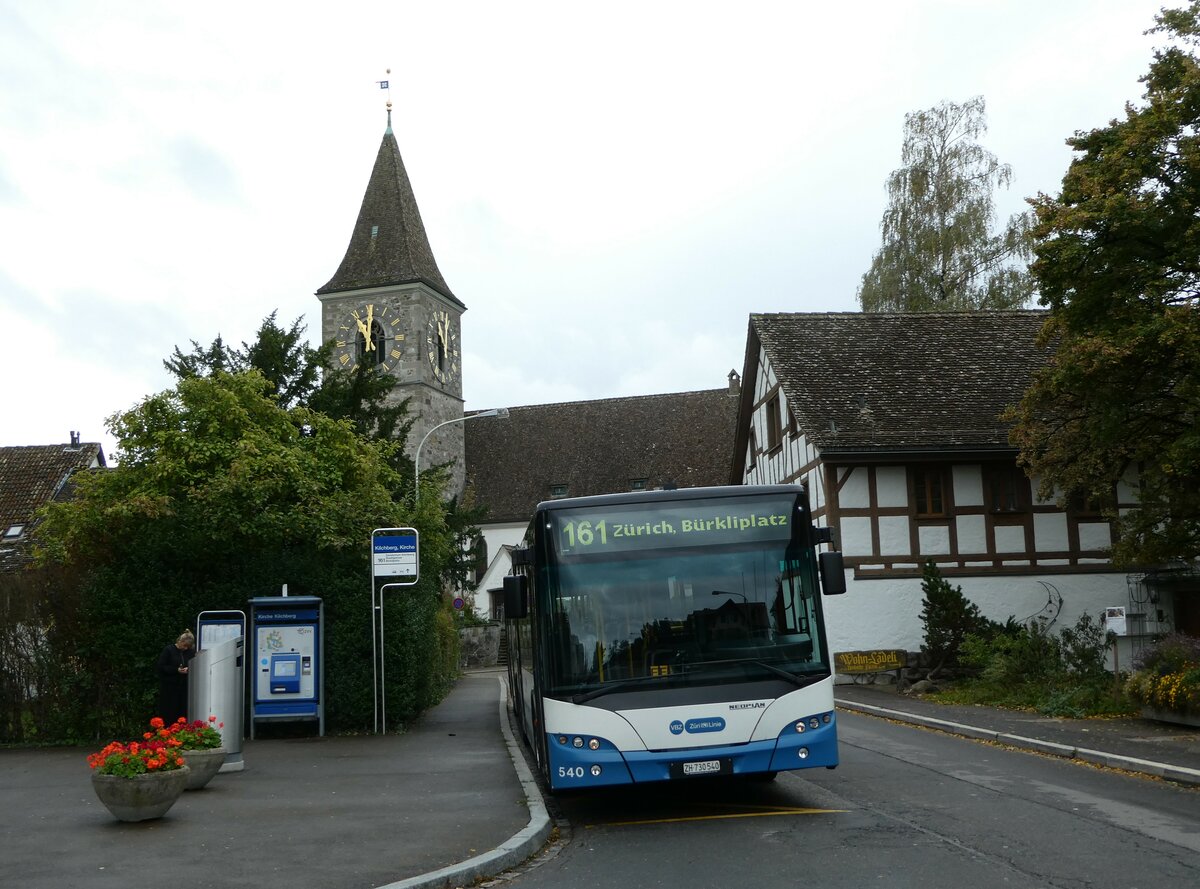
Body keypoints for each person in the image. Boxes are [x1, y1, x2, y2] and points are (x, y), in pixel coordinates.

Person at [156, 630, 196, 725]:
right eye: (184, 645)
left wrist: (189, 669)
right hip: (170, 688)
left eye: (188, 647)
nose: (185, 648)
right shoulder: (169, 650)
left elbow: (195, 664)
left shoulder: (190, 652)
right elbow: (161, 667)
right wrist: (176, 670)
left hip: (185, 687)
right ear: (180, 641)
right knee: (170, 712)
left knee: (183, 712)